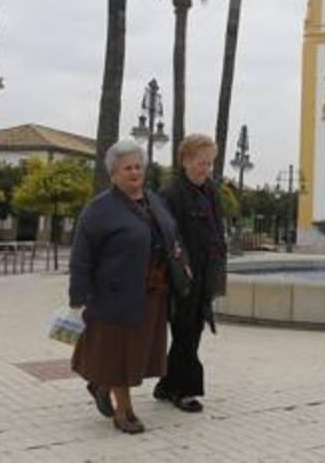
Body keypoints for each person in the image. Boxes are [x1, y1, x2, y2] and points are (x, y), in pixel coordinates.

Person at [69, 139, 190, 434]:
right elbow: (81, 255)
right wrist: (77, 296)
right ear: (113, 174)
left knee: (135, 353)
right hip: (114, 296)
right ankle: (124, 411)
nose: (135, 173)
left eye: (138, 167)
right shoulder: (98, 210)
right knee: (121, 354)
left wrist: (182, 264)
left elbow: (172, 236)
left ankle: (100, 385)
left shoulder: (153, 200)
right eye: (127, 168)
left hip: (152, 292)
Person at [153, 134, 227, 413]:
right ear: (185, 160)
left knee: (191, 331)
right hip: (181, 278)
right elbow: (165, 237)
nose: (205, 169)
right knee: (186, 333)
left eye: (209, 163)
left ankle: (166, 384)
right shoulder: (171, 193)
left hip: (204, 276)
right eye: (200, 162)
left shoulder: (210, 191)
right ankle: (184, 391)